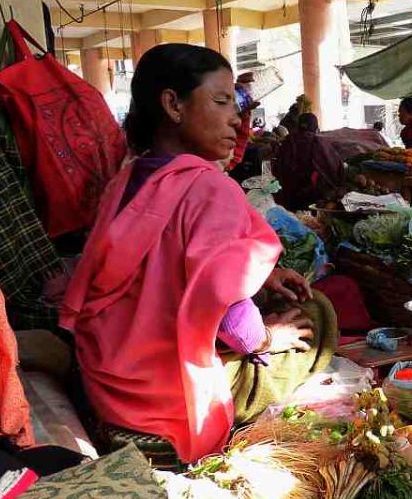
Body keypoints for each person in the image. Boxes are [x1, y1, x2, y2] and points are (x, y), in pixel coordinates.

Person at [60, 44, 336, 465]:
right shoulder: (208, 188)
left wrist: (263, 275)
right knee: (318, 314)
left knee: (271, 300)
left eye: (236, 104)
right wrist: (266, 339)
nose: (236, 118)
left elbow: (161, 251)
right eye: (221, 101)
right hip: (163, 401)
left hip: (106, 379)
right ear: (173, 104)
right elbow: (227, 312)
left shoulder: (128, 178)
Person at [272, 112, 344, 210]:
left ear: (297, 127)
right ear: (317, 129)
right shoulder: (321, 144)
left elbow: (277, 170)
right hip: (315, 202)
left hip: (288, 200)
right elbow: (336, 170)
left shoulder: (287, 142)